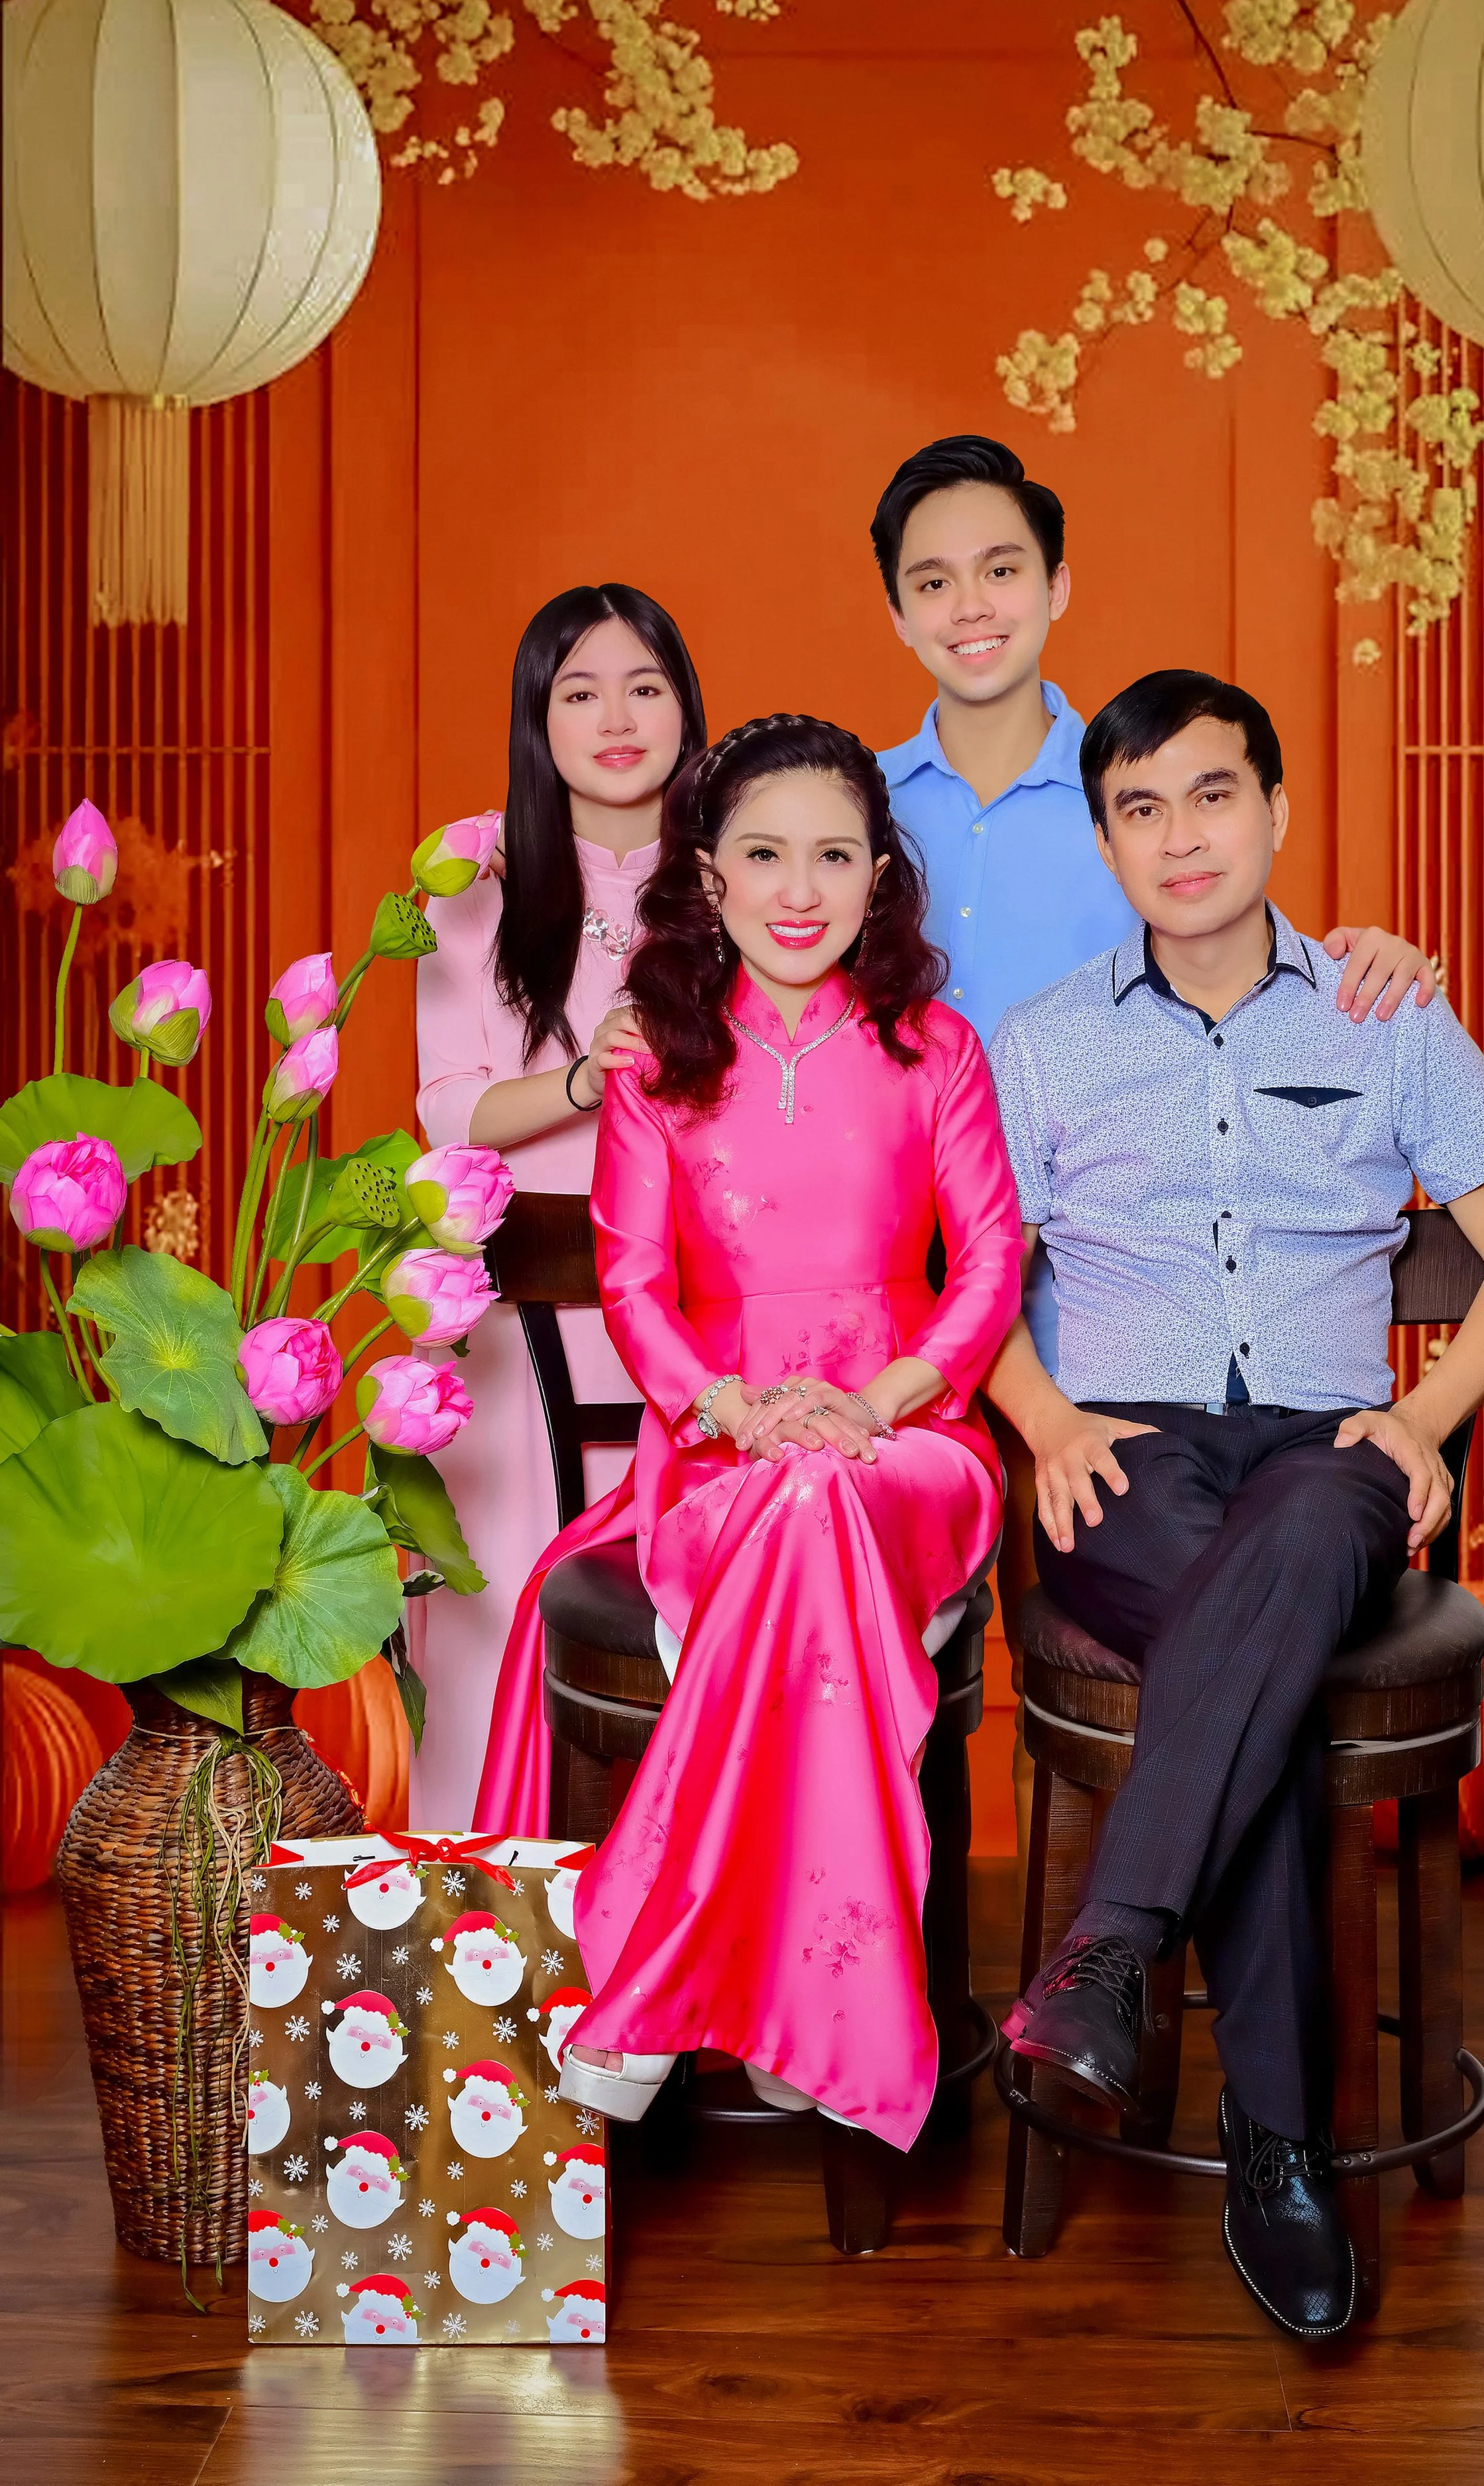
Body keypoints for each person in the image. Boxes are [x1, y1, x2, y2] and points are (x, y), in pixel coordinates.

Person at [986, 668, 1484, 2338]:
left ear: (1276, 811)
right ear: (1103, 841)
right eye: (1139, 809)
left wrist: (1422, 1413)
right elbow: (959, 1289)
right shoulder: (1035, 1051)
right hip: (1124, 1458)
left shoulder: (1384, 1012)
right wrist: (1035, 1421)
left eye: (1212, 795)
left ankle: (1113, 1955)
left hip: (1330, 1448)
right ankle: (1277, 2145)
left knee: (1318, 1514)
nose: (1181, 836)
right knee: (1261, 1663)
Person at [870, 433, 1443, 1854]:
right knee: (917, 1670)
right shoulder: (856, 822)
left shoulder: (1141, 784)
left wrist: (1360, 953)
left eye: (1001, 568)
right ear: (894, 613)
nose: (972, 606)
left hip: (1131, 1328)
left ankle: (1095, 1970)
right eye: (931, 582)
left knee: (1176, 1624)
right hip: (923, 1312)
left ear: (1056, 583)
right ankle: (946, 1998)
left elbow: (1250, 983)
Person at [473, 714, 1023, 2147]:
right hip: (713, 1450)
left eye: (833, 854)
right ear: (704, 879)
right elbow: (631, 1283)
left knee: (828, 1495)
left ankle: (645, 1980)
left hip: (913, 1447)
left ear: (877, 872)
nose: (800, 889)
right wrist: (727, 1407)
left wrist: (880, 1401)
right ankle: (801, 1999)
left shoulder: (935, 1049)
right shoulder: (660, 1063)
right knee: (789, 1503)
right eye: (763, 855)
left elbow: (985, 1273)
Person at [410, 584, 707, 1825]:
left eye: (645, 685)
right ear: (539, 720)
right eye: (578, 693)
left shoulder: (742, 872)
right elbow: (447, 1112)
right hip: (517, 1305)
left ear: (688, 706)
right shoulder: (472, 875)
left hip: (693, 1309)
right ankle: (497, 1920)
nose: (617, 717)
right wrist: (583, 1075)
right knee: (487, 1601)